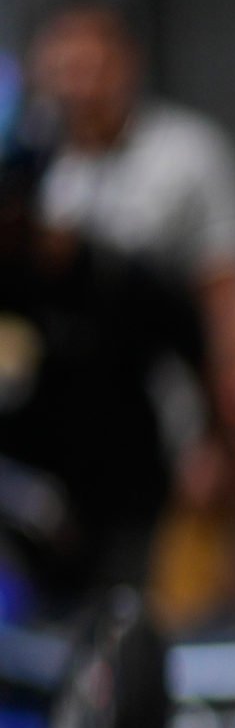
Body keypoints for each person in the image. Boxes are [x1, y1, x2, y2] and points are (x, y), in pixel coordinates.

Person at [24, 0, 235, 436]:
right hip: (47, 406)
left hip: (162, 400)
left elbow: (225, 285)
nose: (80, 89)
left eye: (94, 68)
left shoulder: (188, 152)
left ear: (130, 63)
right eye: (65, 70)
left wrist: (228, 409)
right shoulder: (26, 160)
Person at [0, 145, 203, 605]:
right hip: (23, 516)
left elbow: (201, 356)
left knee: (121, 615)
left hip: (124, 501)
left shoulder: (116, 279)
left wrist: (206, 447)